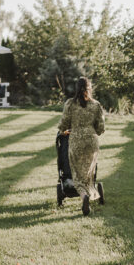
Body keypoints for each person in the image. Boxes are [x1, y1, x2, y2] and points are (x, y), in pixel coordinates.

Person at [57, 77, 105, 216]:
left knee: (77, 175)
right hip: (91, 141)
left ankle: (84, 196)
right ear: (90, 88)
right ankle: (91, 192)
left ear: (76, 88)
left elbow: (63, 124)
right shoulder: (96, 105)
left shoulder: (70, 104)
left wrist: (63, 130)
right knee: (89, 173)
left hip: (76, 140)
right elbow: (101, 128)